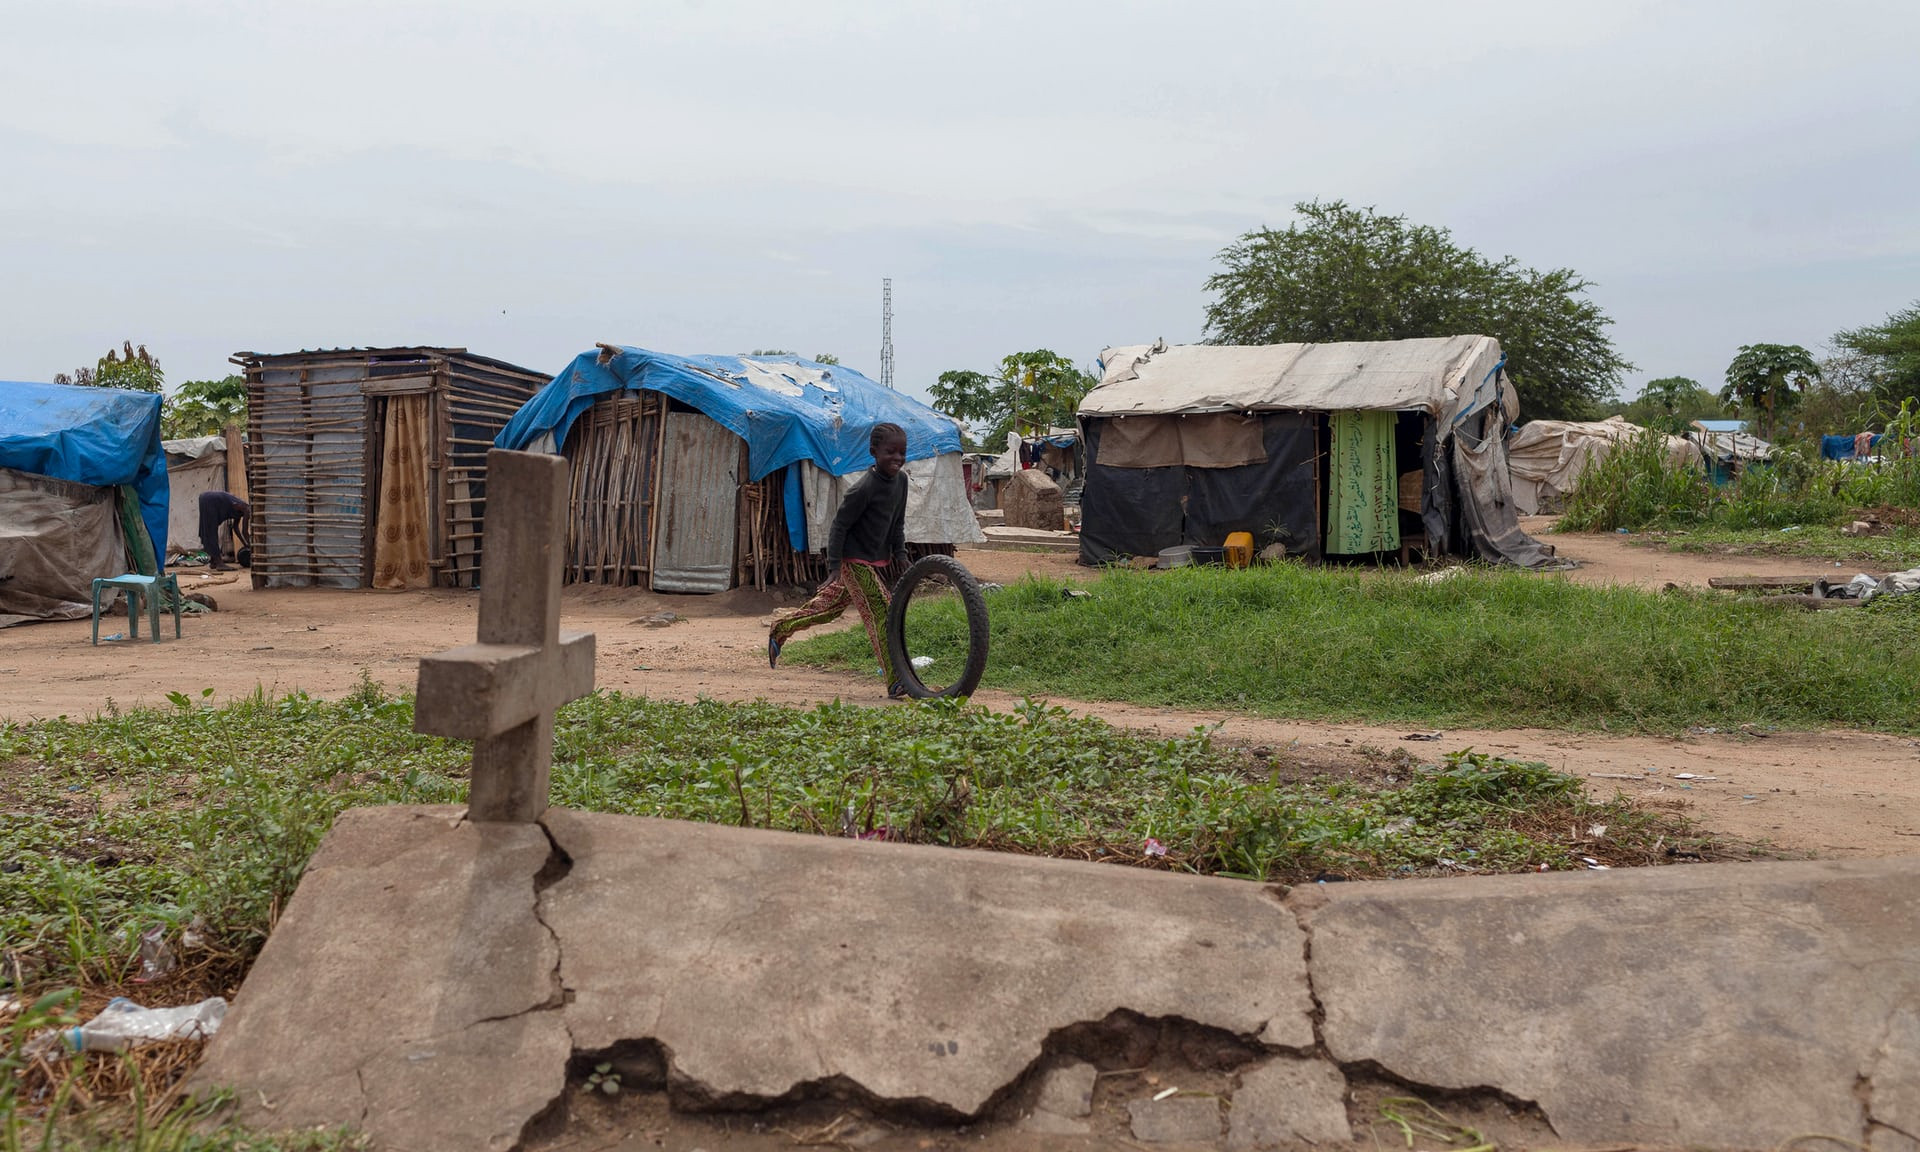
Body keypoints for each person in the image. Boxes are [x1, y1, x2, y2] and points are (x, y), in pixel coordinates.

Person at [768, 423, 911, 697]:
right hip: (853, 558)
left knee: (830, 609)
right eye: (890, 452)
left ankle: (780, 628)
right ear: (873, 452)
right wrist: (835, 567)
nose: (897, 458)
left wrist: (901, 554)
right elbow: (838, 528)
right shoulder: (863, 489)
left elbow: (898, 521)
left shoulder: (901, 482)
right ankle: (896, 680)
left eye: (902, 452)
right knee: (884, 610)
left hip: (873, 559)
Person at [198, 490, 251, 571]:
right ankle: (220, 564)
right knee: (211, 531)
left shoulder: (242, 510)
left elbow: (235, 528)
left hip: (206, 498)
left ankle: (213, 561)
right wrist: (250, 546)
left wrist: (245, 544)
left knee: (209, 529)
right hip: (210, 500)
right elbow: (245, 531)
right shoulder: (246, 509)